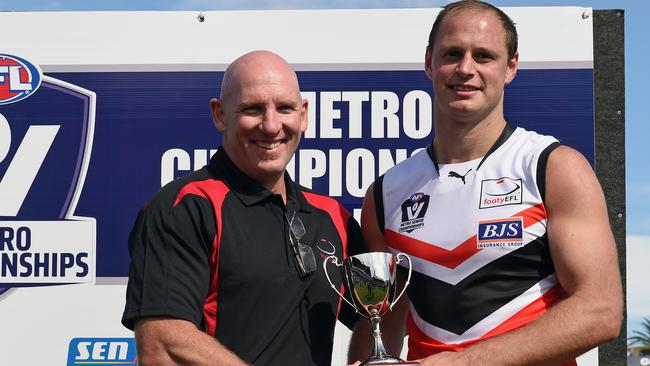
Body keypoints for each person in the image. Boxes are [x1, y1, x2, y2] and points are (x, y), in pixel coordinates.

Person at [348, 1, 622, 365]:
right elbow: (383, 323)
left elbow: (601, 311)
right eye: (452, 54)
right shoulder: (385, 194)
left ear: (511, 67)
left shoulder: (552, 167)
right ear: (429, 62)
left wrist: (461, 362)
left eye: (483, 56)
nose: (465, 68)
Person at [122, 50, 365, 365]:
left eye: (285, 108)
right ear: (219, 114)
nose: (270, 125)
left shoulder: (333, 216)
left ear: (303, 115)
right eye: (253, 109)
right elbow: (162, 343)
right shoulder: (186, 206)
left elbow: (381, 313)